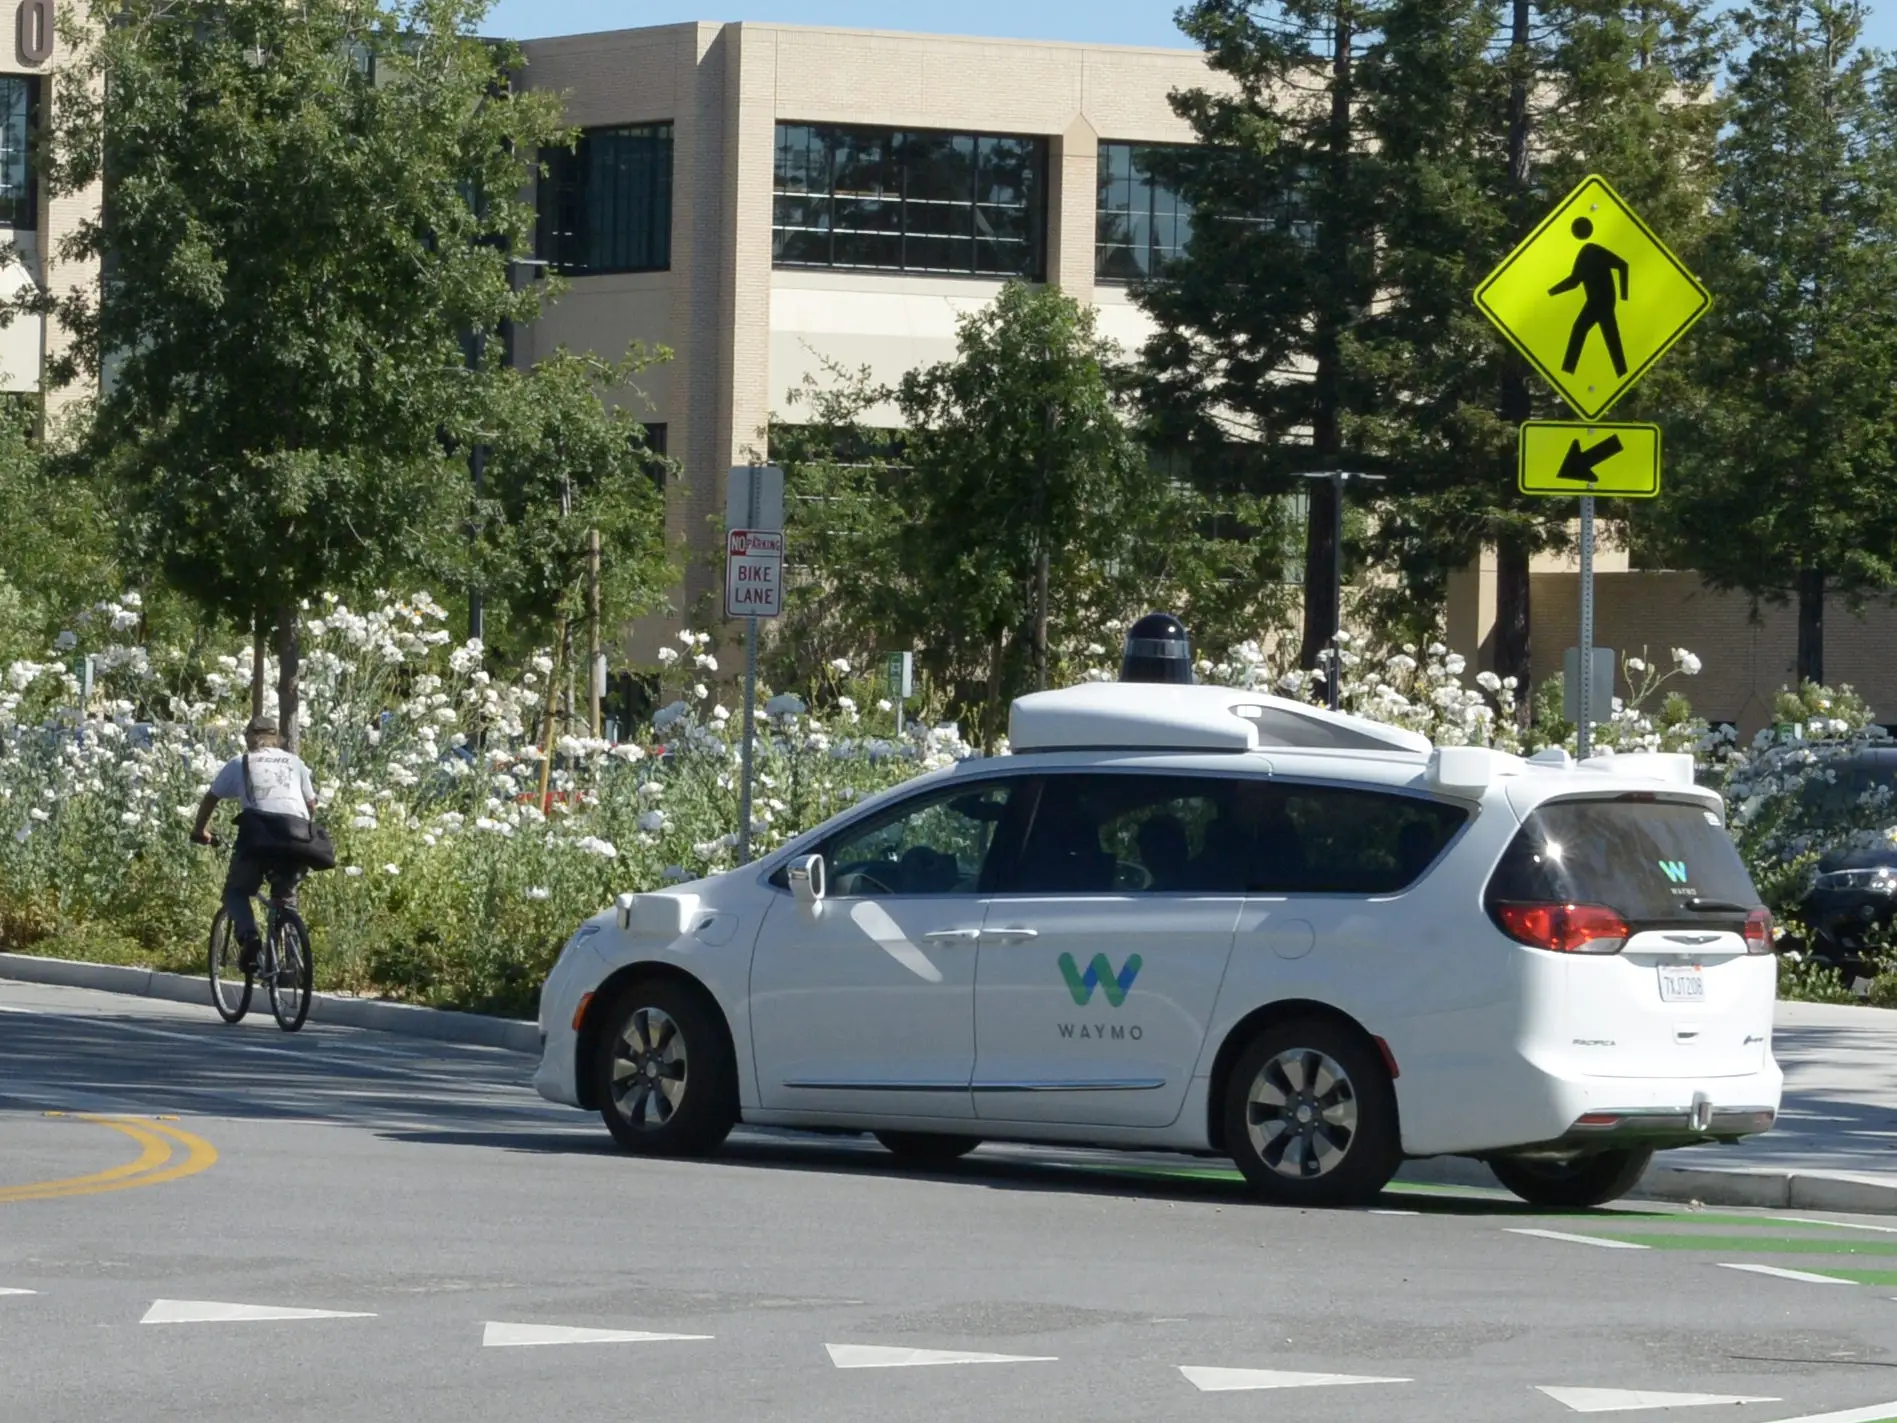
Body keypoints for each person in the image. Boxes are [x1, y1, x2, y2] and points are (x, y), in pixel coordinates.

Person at [190, 714, 317, 972]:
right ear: (277, 738)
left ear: (250, 737)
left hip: (258, 836)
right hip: (296, 836)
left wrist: (200, 830)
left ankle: (249, 939)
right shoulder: (296, 763)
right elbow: (311, 805)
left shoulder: (241, 763)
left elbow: (211, 798)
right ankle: (292, 966)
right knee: (286, 898)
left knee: (235, 892)